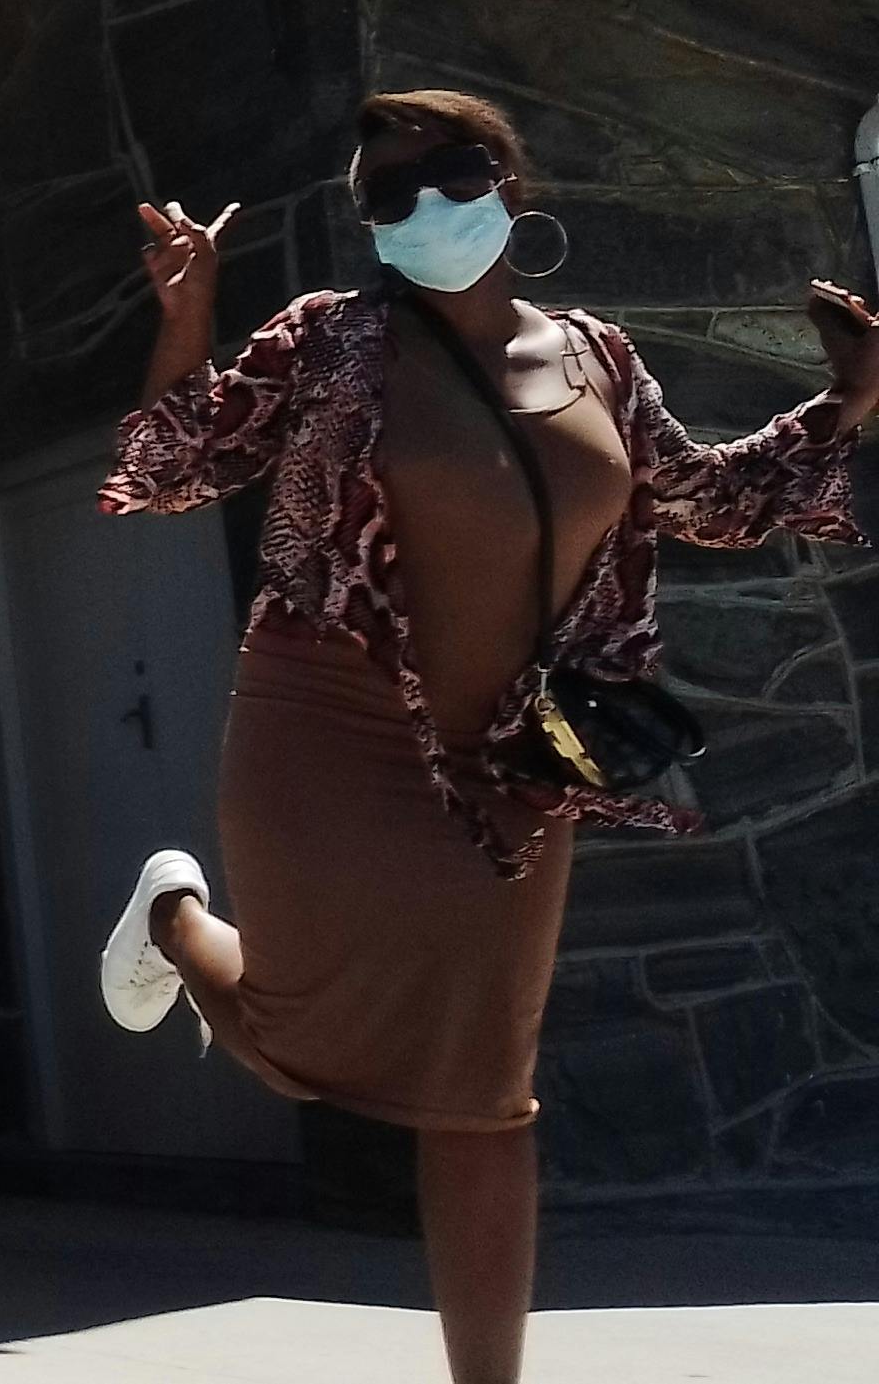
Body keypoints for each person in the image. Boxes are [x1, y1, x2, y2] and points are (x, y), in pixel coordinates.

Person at [102, 89, 872, 1384]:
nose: (420, 204)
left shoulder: (599, 357)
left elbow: (706, 499)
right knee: (300, 1048)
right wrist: (184, 321)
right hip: (327, 722)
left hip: (521, 752)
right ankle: (175, 918)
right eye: (386, 193)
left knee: (482, 1099)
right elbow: (172, 466)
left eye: (448, 171)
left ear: (510, 185)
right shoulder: (330, 340)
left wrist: (848, 400)